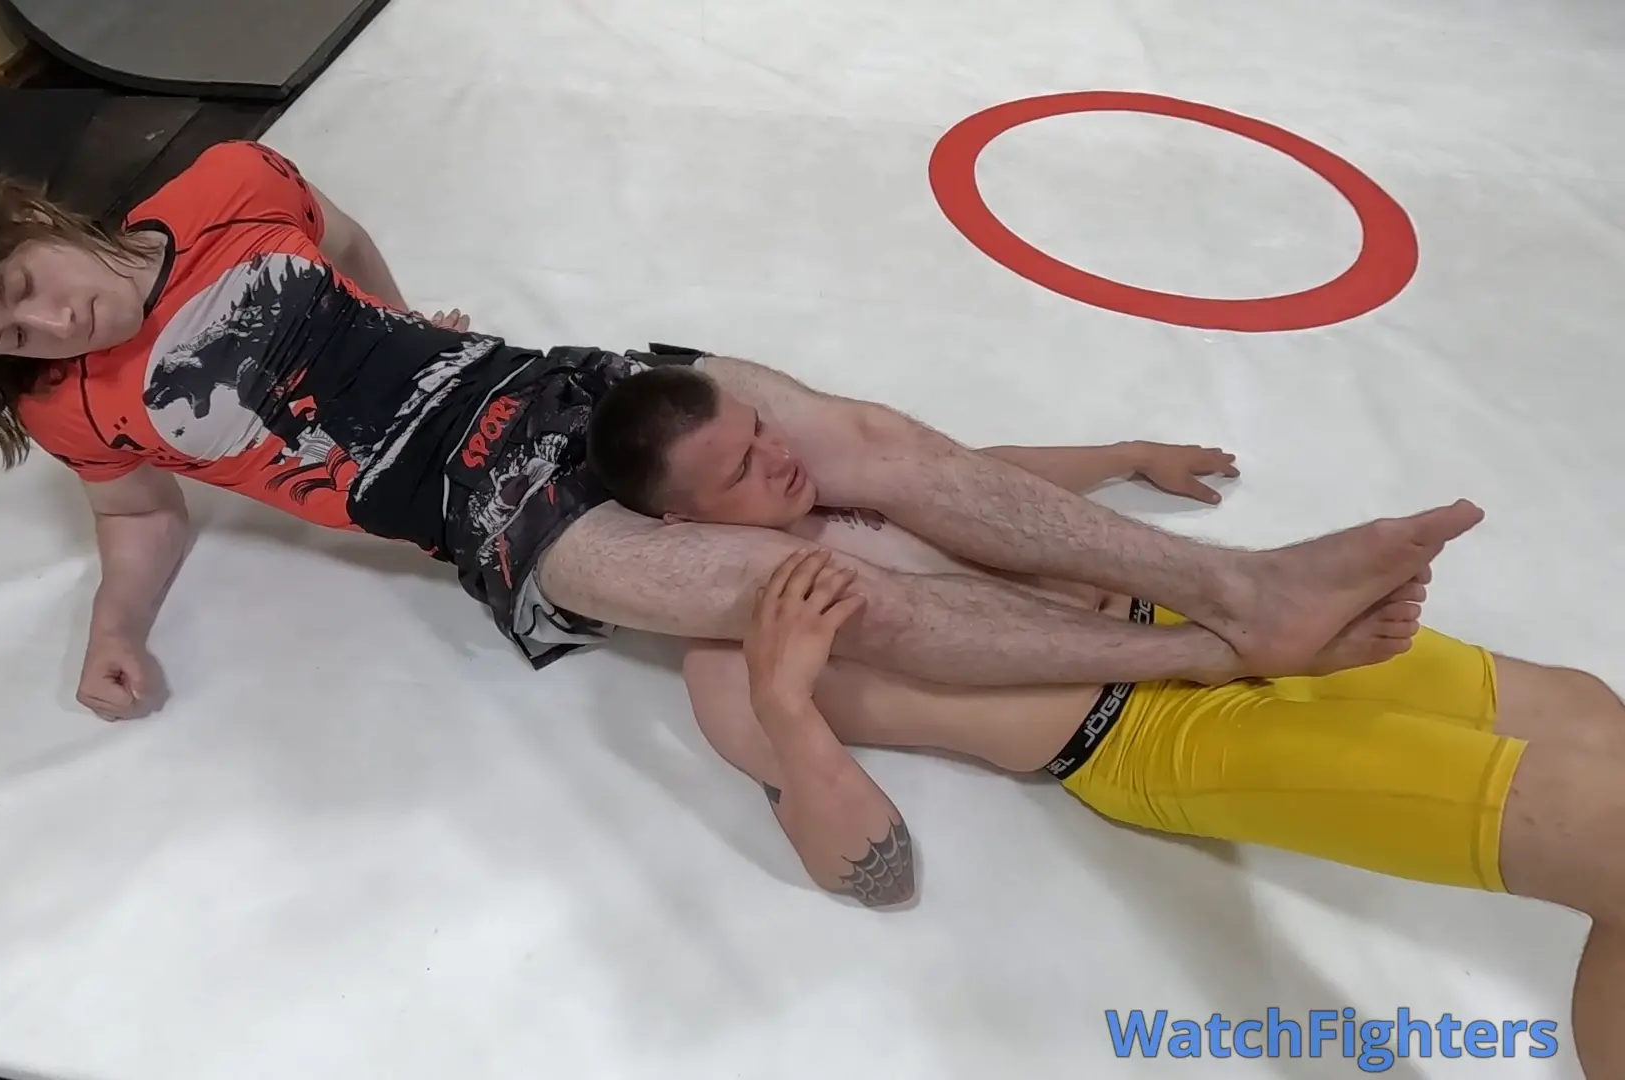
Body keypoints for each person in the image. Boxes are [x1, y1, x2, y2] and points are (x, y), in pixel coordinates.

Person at [0, 139, 1481, 722]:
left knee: (859, 444)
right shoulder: (78, 412)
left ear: (28, 218)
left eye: (23, 288)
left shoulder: (223, 184)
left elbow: (335, 230)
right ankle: (1226, 654)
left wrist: (413, 320)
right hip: (475, 504)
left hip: (543, 381)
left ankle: (1248, 586)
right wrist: (113, 632)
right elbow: (139, 515)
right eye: (4, 342)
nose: (47, 328)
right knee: (804, 589)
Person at [588, 364, 1620, 1078]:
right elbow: (875, 875)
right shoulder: (731, 658)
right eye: (741, 469)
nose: (778, 458)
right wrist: (787, 704)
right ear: (680, 524)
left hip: (1191, 618)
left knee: (1589, 714)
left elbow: (994, 477)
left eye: (760, 430)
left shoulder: (858, 490)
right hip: (1143, 734)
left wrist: (1129, 454)